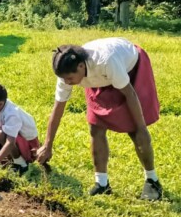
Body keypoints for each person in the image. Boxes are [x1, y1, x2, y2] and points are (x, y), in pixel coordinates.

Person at [36, 39, 162, 200]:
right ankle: (101, 183)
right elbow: (58, 108)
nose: (67, 83)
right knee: (95, 127)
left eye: (69, 78)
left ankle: (152, 180)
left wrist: (141, 126)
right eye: (64, 79)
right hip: (99, 79)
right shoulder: (67, 73)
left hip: (130, 70)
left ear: (81, 66)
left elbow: (129, 93)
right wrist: (47, 145)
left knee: (135, 130)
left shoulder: (106, 61)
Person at [0, 82, 40, 187]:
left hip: (28, 147)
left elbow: (10, 142)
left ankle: (20, 164)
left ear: (0, 104)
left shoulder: (12, 114)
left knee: (0, 134)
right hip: (15, 140)